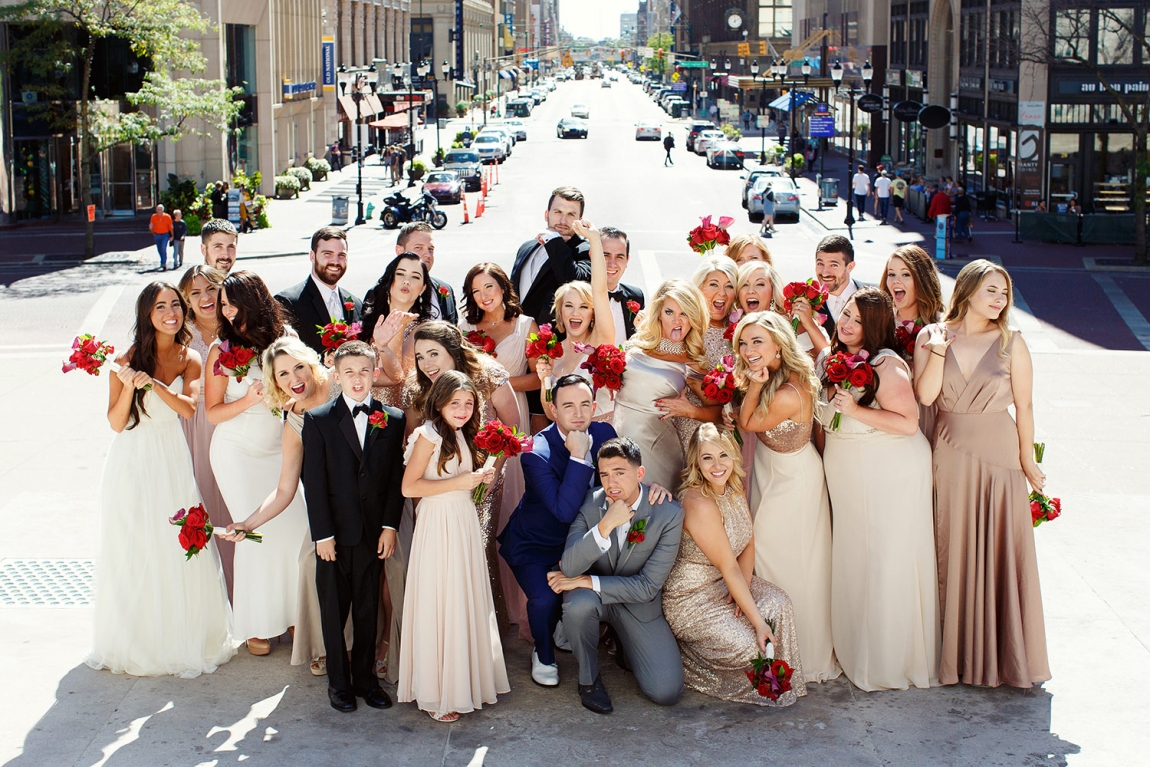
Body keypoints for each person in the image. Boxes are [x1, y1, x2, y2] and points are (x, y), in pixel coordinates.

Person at [86, 282, 236, 678]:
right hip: (132, 459)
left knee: (177, 543)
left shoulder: (191, 358)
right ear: (147, 315)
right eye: (160, 307)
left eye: (175, 305)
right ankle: (139, 639)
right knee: (136, 543)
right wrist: (128, 385)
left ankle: (182, 635)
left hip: (172, 457)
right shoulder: (126, 358)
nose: (171, 313)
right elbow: (116, 422)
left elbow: (187, 409)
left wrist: (152, 383)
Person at [914, 260, 1050, 688]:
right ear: (968, 290)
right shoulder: (932, 335)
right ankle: (956, 656)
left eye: (1004, 293)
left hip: (999, 458)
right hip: (949, 452)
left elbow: (1025, 406)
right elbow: (926, 396)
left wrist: (1027, 460)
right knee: (950, 547)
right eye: (992, 290)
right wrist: (939, 349)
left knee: (999, 550)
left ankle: (1002, 657)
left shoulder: (1012, 342)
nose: (1000, 299)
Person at [817, 288, 941, 691]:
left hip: (888, 468)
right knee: (856, 556)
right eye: (846, 315)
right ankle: (857, 647)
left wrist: (855, 410)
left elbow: (908, 422)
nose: (848, 324)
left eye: (857, 319)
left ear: (874, 325)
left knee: (886, 559)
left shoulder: (886, 364)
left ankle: (889, 660)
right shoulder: (832, 358)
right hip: (848, 468)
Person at [221, 338, 342, 677]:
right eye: (283, 374)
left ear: (312, 364)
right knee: (310, 562)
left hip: (371, 497)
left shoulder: (340, 384)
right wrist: (247, 524)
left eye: (299, 367)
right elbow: (286, 488)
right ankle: (324, 645)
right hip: (330, 505)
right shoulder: (295, 419)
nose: (294, 378)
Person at [664, 423, 807, 705]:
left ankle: (780, 685)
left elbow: (748, 541)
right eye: (707, 458)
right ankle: (684, 658)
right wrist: (757, 622)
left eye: (723, 455)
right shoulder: (698, 503)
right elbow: (728, 566)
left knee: (780, 604)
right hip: (692, 599)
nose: (717, 465)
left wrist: (744, 591)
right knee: (749, 647)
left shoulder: (733, 485)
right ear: (696, 462)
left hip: (727, 582)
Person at [206, 271, 309, 657]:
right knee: (254, 535)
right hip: (235, 451)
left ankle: (297, 615)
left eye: (232, 303)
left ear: (254, 301)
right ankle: (258, 624)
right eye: (223, 305)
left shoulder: (287, 339)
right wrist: (249, 400)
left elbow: (305, 386)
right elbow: (213, 412)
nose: (227, 311)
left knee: (295, 528)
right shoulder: (220, 349)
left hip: (279, 446)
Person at [300, 341, 406, 713]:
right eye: (349, 372)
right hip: (333, 536)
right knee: (333, 613)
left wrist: (390, 526)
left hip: (372, 535)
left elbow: (394, 479)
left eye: (364, 371)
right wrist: (322, 535)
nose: (357, 379)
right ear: (336, 376)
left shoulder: (393, 418)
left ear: (375, 374)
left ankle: (365, 680)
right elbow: (314, 483)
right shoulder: (318, 419)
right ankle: (338, 683)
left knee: (366, 611)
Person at [399, 371, 509, 722]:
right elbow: (409, 488)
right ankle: (437, 692)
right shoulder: (428, 435)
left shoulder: (464, 434)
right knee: (441, 599)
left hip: (462, 521)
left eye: (468, 403)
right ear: (439, 403)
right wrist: (460, 482)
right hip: (438, 524)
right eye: (454, 403)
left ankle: (465, 683)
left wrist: (479, 481)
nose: (462, 409)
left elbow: (461, 483)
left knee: (462, 596)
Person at [734, 311, 838, 683]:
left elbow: (747, 422)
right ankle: (773, 649)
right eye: (743, 342)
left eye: (757, 341)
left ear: (778, 345)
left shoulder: (789, 391)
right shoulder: (780, 376)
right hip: (772, 470)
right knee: (774, 558)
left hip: (792, 480)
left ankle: (801, 655)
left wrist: (753, 385)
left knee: (787, 561)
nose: (748, 349)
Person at [497, 375, 616, 687]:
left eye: (585, 405)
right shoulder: (535, 452)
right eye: (568, 406)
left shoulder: (605, 434)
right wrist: (578, 456)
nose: (578, 413)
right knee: (544, 600)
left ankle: (572, 628)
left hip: (578, 543)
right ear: (552, 409)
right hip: (535, 544)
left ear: (594, 406)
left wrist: (651, 487)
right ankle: (543, 652)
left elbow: (621, 479)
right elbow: (563, 511)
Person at [554, 437, 686, 713]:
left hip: (639, 606)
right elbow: (569, 567)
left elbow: (648, 587)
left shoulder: (668, 514)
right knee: (578, 606)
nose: (611, 482)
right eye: (604, 474)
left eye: (619, 472)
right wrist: (605, 526)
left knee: (666, 692)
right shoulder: (590, 503)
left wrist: (587, 581)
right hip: (593, 601)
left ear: (640, 473)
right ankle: (588, 679)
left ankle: (625, 645)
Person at [406, 321, 521, 628]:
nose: (426, 363)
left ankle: (486, 630)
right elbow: (412, 444)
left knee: (479, 551)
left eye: (433, 353)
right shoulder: (417, 388)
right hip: (437, 490)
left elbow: (512, 426)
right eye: (420, 356)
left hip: (483, 481)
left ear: (453, 350)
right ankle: (450, 629)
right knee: (445, 560)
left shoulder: (487, 375)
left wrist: (492, 471)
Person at [611, 280, 709, 490]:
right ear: (659, 313)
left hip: (658, 450)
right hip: (618, 439)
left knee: (654, 506)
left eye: (684, 313)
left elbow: (718, 413)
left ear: (693, 317)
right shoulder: (636, 345)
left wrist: (690, 411)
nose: (676, 320)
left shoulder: (691, 362)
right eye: (669, 312)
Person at [510, 185, 593, 421]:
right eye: (557, 212)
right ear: (546, 214)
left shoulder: (584, 250)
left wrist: (554, 241)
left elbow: (574, 280)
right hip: (516, 349)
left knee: (542, 419)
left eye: (571, 214)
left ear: (580, 220)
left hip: (551, 358)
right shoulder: (527, 247)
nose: (563, 220)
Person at [176, 265, 234, 593]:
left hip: (235, 421)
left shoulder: (238, 326)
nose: (205, 298)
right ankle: (209, 595)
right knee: (202, 503)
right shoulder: (180, 334)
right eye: (195, 293)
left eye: (211, 288)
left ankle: (241, 592)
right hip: (193, 427)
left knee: (234, 502)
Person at [537, 221, 616, 423]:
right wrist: (544, 381)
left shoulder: (599, 342)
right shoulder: (553, 354)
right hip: (567, 437)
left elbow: (600, 290)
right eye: (569, 305)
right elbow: (550, 414)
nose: (575, 313)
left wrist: (594, 239)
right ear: (560, 312)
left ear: (593, 314)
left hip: (602, 435)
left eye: (583, 307)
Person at [661, 256, 739, 452]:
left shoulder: (741, 331)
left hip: (729, 431)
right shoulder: (685, 326)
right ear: (699, 287)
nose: (722, 293)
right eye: (714, 284)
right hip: (688, 429)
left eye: (729, 286)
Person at [274, 228, 363, 357]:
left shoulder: (356, 304)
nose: (335, 261)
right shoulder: (288, 303)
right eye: (327, 254)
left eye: (341, 255)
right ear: (312, 256)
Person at [361, 252, 434, 407]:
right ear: (390, 279)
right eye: (400, 274)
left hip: (397, 412)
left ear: (422, 288)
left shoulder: (424, 331)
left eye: (415, 277)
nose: (406, 281)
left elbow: (395, 377)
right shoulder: (371, 320)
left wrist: (399, 328)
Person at [396, 222, 457, 323]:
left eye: (430, 249)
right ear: (400, 251)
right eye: (418, 248)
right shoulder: (378, 293)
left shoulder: (445, 289)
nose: (427, 254)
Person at [815, 235, 867, 338]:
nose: (825, 273)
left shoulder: (876, 295)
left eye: (834, 265)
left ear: (850, 267)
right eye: (820, 264)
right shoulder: (808, 305)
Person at [600, 226, 645, 343]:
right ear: (592, 256)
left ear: (627, 260)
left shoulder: (636, 296)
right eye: (606, 255)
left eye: (619, 257)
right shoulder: (578, 297)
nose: (612, 264)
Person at [149, 204, 173, 270]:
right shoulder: (154, 216)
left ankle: (163, 263)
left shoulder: (167, 216)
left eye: (160, 209)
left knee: (163, 248)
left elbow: (170, 227)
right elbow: (151, 225)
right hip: (157, 235)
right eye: (157, 209)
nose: (158, 210)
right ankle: (162, 260)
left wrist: (172, 235)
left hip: (165, 235)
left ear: (163, 210)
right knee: (159, 249)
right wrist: (152, 232)